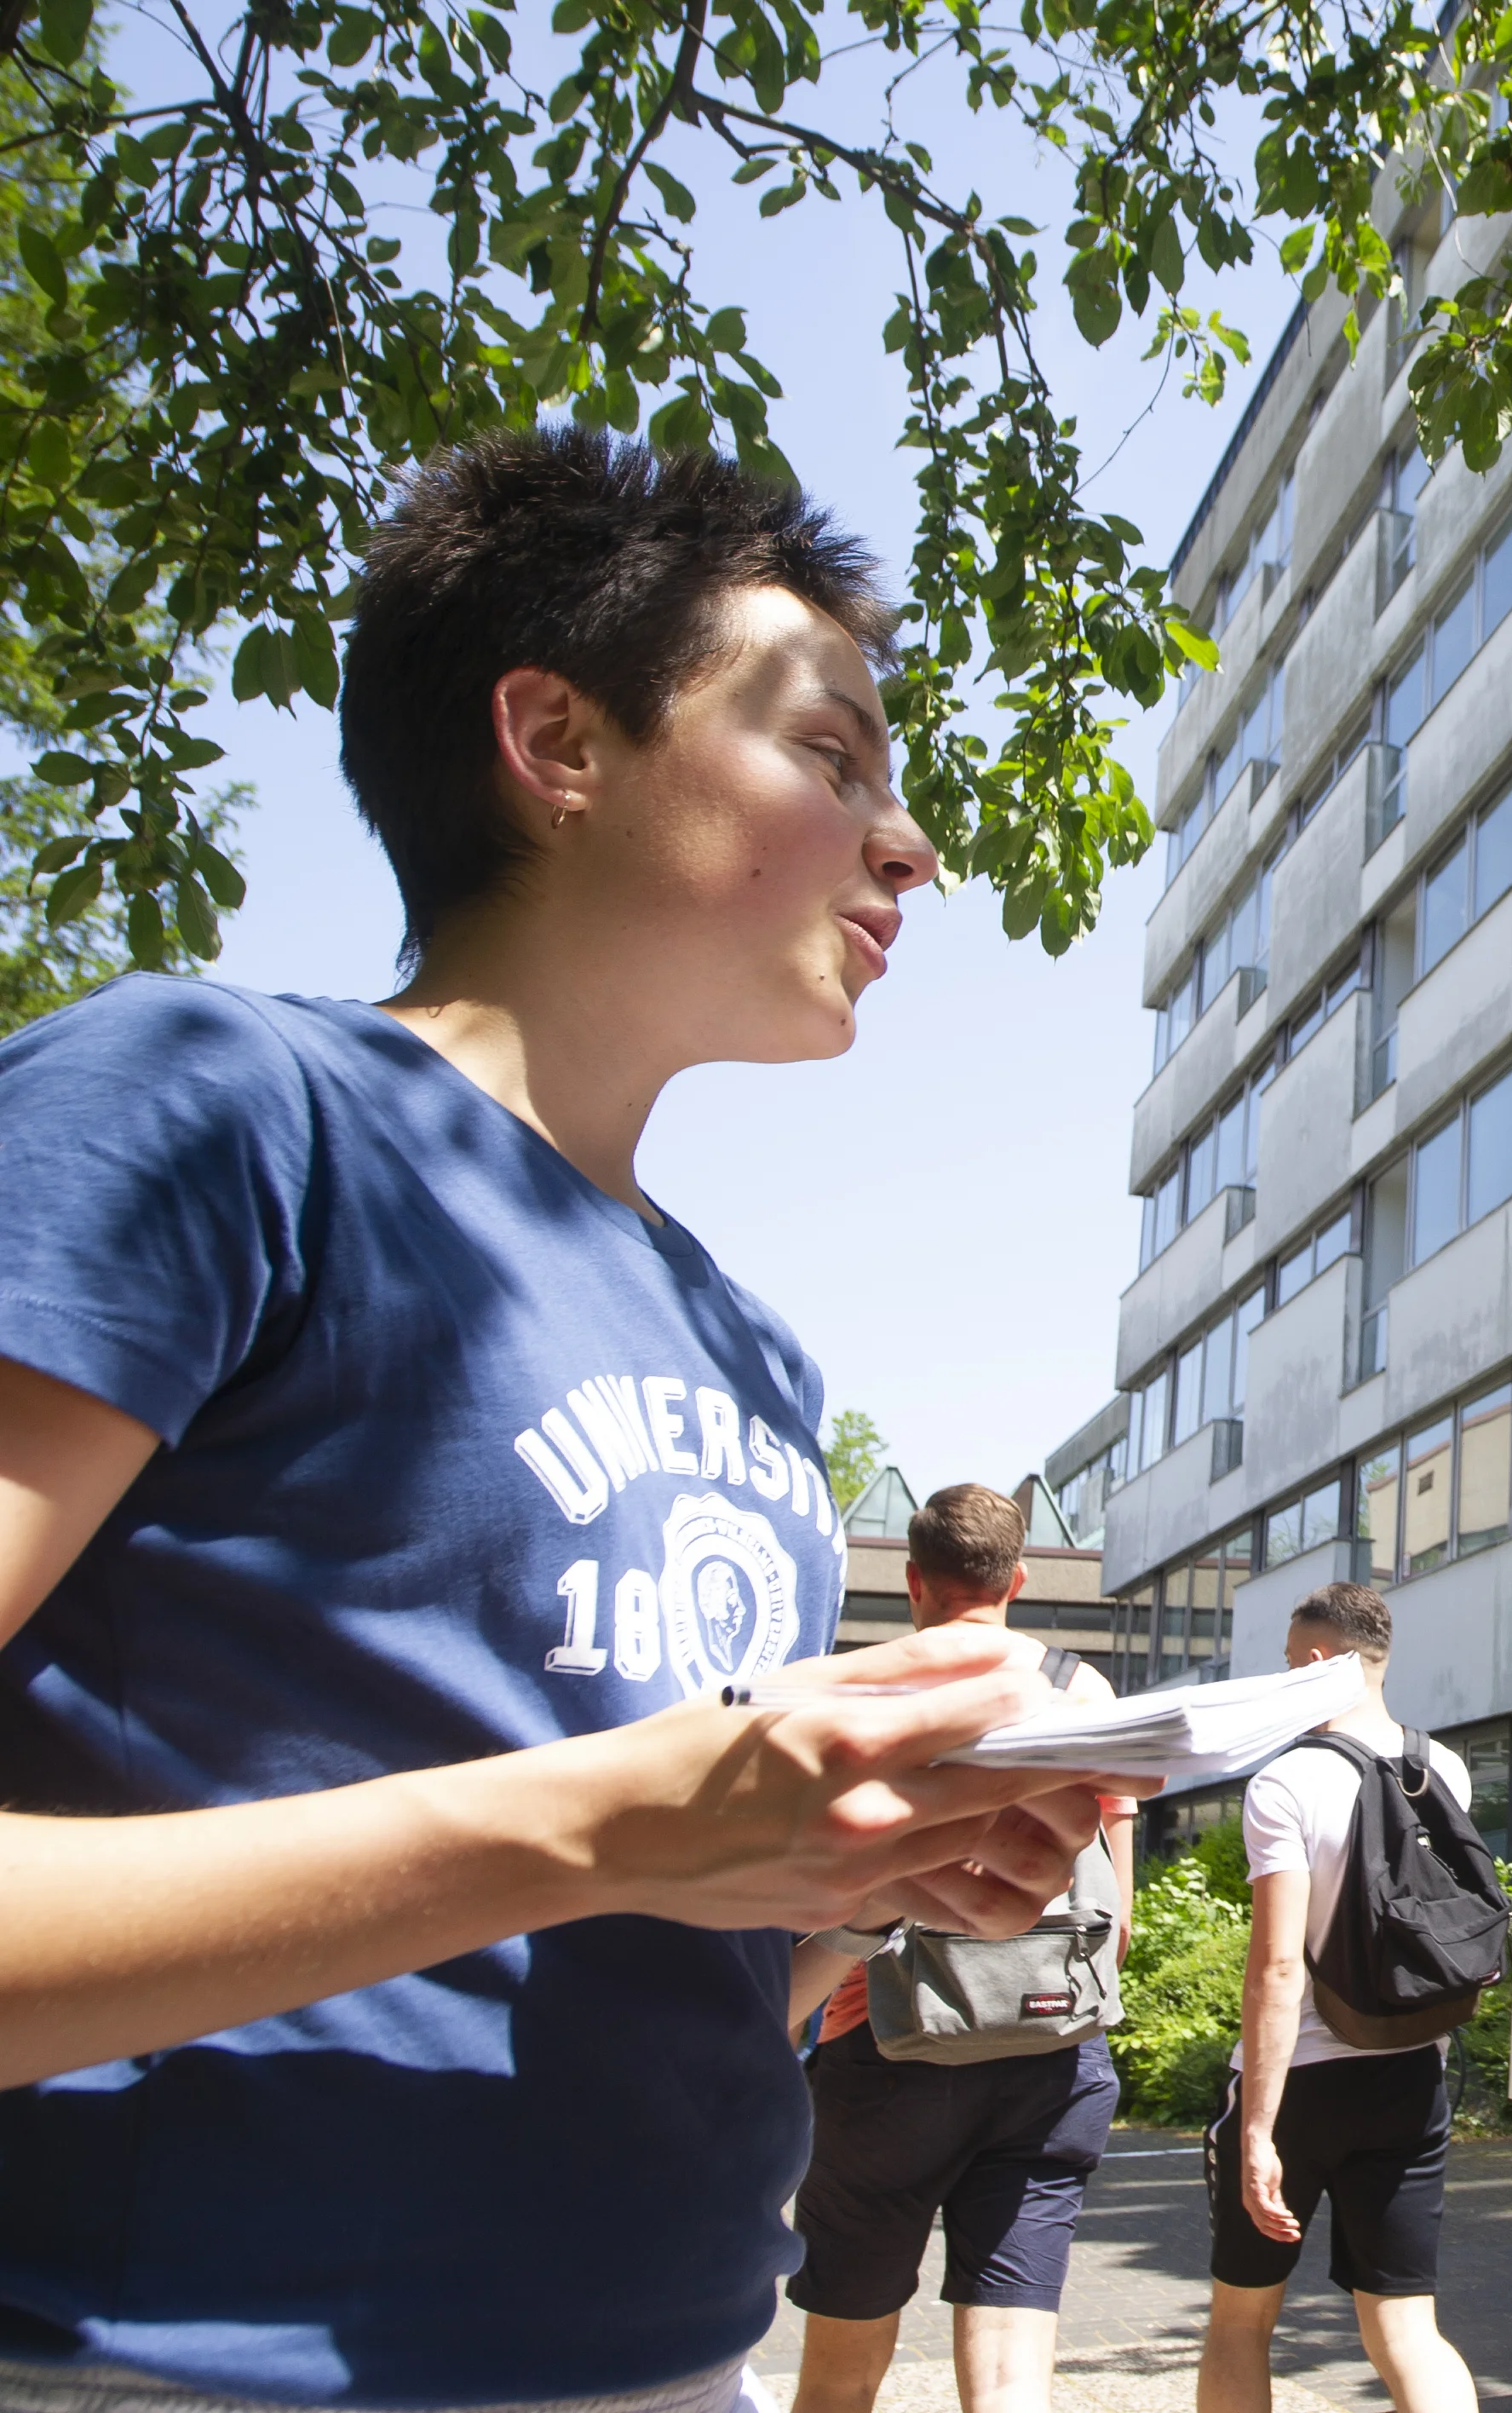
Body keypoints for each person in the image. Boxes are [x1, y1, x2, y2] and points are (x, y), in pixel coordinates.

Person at [0, 430, 1113, 2413]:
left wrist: (858, 1871)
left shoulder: (756, 1355)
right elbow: (583, 1837)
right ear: (558, 738)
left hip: (681, 2360)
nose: (912, 841)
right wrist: (604, 1816)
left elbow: (650, 1935)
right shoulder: (210, 1104)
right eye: (836, 755)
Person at [785, 1483, 1139, 2413]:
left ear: (912, 1581)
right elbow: (1118, 1909)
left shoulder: (866, 1693)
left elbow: (819, 1890)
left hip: (886, 2051)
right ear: (1018, 1578)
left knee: (840, 2369)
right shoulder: (1081, 1690)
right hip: (1052, 2049)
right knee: (1013, 2373)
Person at [1199, 1583, 1480, 2413]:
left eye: (1290, 1665)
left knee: (1241, 2324)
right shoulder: (1444, 1768)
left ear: (1319, 1664)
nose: (1284, 1679)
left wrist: (1255, 2127)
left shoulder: (1284, 1783)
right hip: (1410, 2076)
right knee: (1407, 2332)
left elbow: (1277, 1968)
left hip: (1301, 2079)